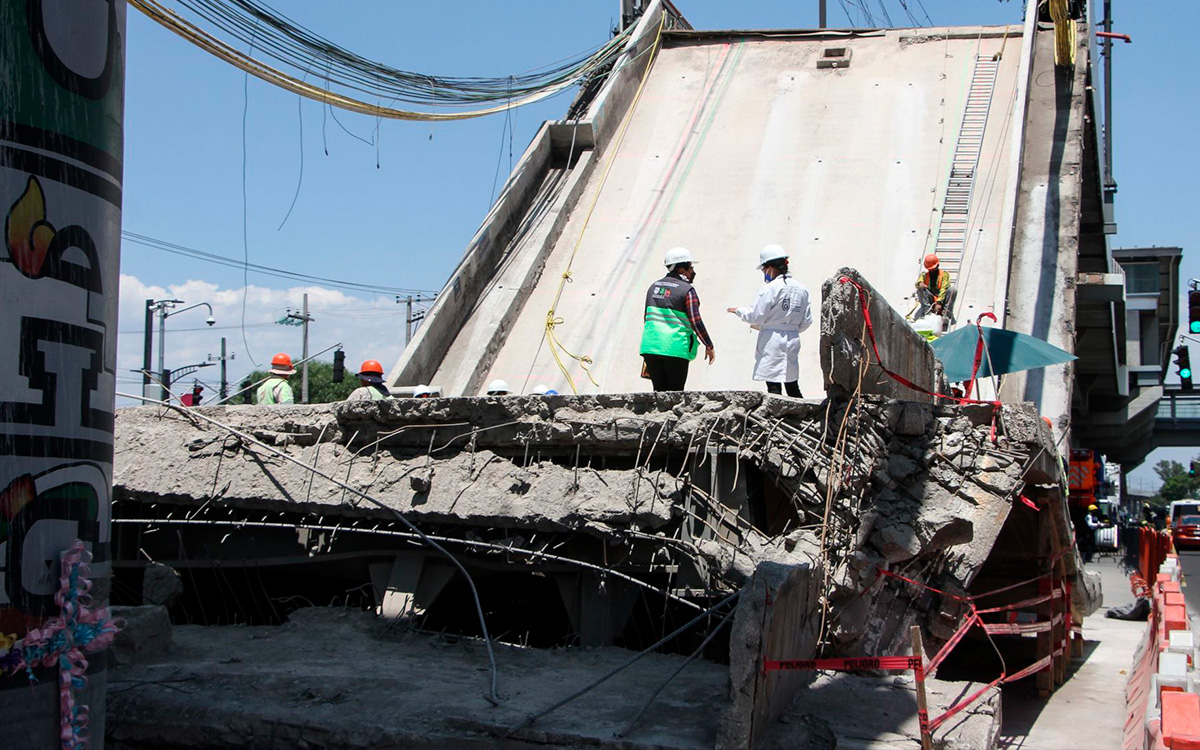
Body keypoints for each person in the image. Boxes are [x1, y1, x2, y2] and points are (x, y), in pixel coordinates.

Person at [726, 244, 813, 397]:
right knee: (791, 381)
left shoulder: (770, 288)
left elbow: (756, 316)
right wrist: (790, 328)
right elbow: (806, 320)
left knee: (773, 384)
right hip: (793, 338)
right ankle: (800, 413)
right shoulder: (802, 289)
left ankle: (775, 416)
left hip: (772, 338)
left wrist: (739, 311)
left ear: (770, 268)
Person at [639, 247, 715, 391]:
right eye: (690, 268)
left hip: (650, 348)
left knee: (659, 393)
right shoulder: (687, 290)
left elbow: (646, 319)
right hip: (674, 349)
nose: (693, 272)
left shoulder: (653, 287)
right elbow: (695, 321)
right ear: (681, 270)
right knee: (675, 394)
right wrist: (709, 345)